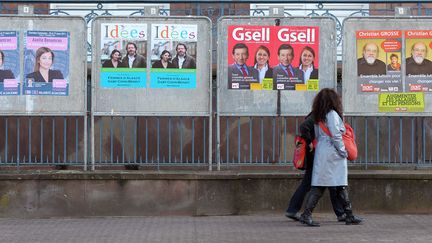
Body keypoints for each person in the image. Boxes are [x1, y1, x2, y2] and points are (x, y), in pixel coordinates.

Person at [299, 88, 362, 227]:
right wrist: (343, 151)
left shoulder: (318, 116)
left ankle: (349, 214)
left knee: (338, 185)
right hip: (332, 154)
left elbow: (318, 134)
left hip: (323, 151)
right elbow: (336, 135)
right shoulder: (332, 115)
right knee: (325, 186)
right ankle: (306, 214)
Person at [285, 112, 345, 222]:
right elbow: (304, 127)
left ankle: (340, 212)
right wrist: (309, 142)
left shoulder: (322, 114)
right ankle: (294, 210)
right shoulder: (319, 114)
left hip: (319, 154)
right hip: (315, 155)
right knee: (325, 183)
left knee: (329, 183)